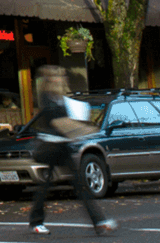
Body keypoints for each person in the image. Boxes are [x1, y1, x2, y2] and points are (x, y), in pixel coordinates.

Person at [25, 65, 116, 236]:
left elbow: (67, 124)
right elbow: (60, 123)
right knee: (46, 186)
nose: (63, 79)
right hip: (50, 147)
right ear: (50, 79)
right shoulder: (47, 99)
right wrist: (86, 130)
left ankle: (99, 222)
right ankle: (36, 222)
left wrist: (82, 129)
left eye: (63, 76)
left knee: (78, 184)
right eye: (59, 76)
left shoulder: (60, 99)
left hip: (62, 146)